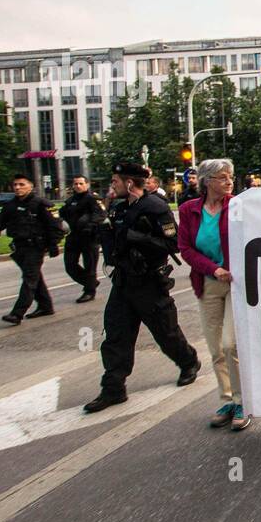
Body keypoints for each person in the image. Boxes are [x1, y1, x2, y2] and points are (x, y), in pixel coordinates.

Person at [84, 163, 200, 413]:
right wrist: (104, 232)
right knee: (116, 335)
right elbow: (115, 246)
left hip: (150, 283)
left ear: (129, 183)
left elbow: (173, 243)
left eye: (115, 180)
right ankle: (113, 388)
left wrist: (140, 238)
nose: (112, 185)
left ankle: (189, 362)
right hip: (124, 282)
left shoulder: (155, 207)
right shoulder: (117, 208)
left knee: (166, 332)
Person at [177, 158, 247, 429]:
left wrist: (231, 269)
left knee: (231, 344)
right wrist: (213, 269)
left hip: (237, 284)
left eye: (230, 176)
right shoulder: (188, 210)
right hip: (207, 283)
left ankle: (243, 401)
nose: (229, 181)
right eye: (222, 177)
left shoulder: (239, 206)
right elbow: (185, 248)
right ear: (207, 181)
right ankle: (227, 398)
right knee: (216, 347)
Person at [0, 174, 64, 325]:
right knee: (34, 278)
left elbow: (55, 226)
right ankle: (45, 306)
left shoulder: (41, 204)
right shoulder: (10, 205)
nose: (17, 187)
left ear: (31, 186)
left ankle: (17, 313)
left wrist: (53, 244)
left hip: (35, 247)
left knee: (29, 279)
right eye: (15, 185)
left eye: (22, 184)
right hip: (19, 247)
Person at [59, 175, 106, 303]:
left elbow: (100, 214)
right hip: (74, 236)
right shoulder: (71, 200)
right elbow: (62, 213)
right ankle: (91, 283)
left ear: (87, 184)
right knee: (70, 265)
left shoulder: (93, 199)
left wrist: (90, 225)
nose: (78, 186)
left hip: (89, 237)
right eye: (75, 184)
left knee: (89, 265)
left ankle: (89, 291)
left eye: (80, 183)